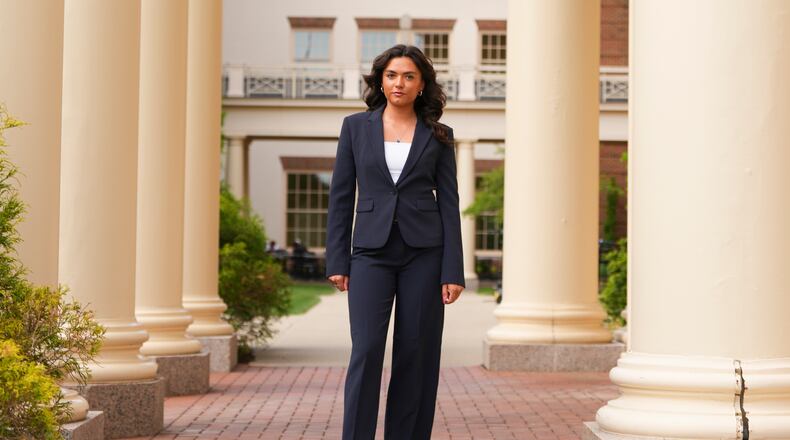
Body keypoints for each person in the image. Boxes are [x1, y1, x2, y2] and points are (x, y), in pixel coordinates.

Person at [325, 44, 465, 440]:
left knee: (415, 353)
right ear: (380, 81)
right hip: (371, 253)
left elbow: (449, 204)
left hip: (425, 254)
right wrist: (337, 259)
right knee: (367, 349)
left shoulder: (439, 135)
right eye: (391, 75)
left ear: (422, 85)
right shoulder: (355, 127)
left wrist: (452, 270)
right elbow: (341, 196)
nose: (398, 83)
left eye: (408, 76)